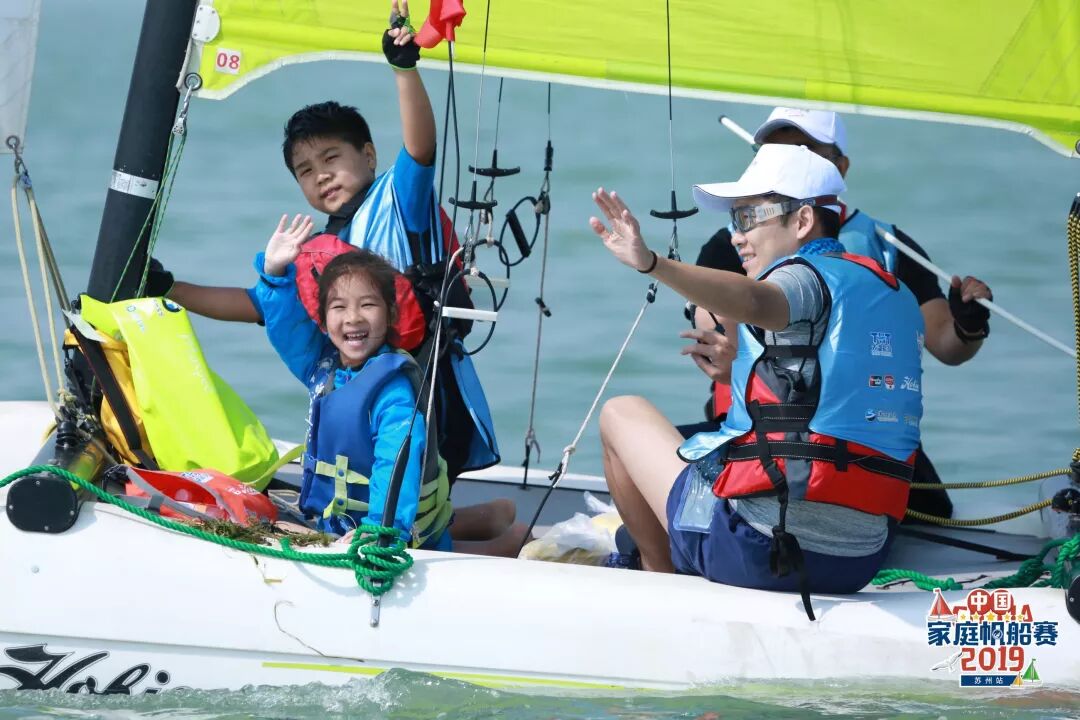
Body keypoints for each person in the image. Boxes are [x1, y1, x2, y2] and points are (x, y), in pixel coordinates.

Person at [146, 2, 507, 539]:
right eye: (305, 171)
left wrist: (404, 69)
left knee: (415, 492)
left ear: (368, 155)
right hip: (359, 378)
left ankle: (496, 537)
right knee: (385, 485)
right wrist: (170, 287)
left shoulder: (398, 199)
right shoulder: (316, 249)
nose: (321, 176)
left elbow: (421, 149)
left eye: (332, 158)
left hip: (421, 379)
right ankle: (494, 521)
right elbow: (259, 306)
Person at [591, 144, 924, 614]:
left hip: (760, 549)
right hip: (860, 558)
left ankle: (658, 583)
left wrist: (652, 263)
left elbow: (753, 301)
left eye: (748, 218)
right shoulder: (892, 292)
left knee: (620, 414)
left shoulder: (801, 280)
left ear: (803, 221)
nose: (735, 236)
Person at [679, 107, 995, 520]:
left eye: (804, 150)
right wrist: (732, 355)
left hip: (859, 438)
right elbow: (714, 327)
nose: (787, 158)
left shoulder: (887, 246)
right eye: (772, 150)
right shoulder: (735, 243)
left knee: (934, 510)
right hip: (757, 430)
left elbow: (946, 344)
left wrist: (968, 323)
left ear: (840, 167)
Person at [254, 224, 527, 555]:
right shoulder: (322, 368)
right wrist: (274, 274)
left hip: (397, 532)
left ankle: (513, 541)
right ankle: (492, 516)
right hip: (341, 525)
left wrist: (381, 530)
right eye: (339, 307)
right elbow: (288, 331)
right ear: (323, 321)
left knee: (453, 550)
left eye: (367, 305)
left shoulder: (393, 390)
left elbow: (396, 461)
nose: (353, 318)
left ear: (391, 314)